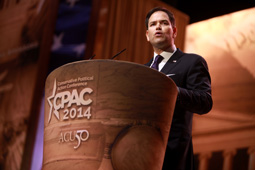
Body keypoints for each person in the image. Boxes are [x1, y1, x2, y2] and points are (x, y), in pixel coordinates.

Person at [145, 7, 213, 170]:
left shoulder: (192, 62)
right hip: (141, 152)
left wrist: (170, 90)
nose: (158, 27)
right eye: (153, 24)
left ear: (174, 31)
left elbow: (205, 101)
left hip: (173, 155)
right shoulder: (142, 72)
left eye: (163, 23)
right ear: (147, 35)